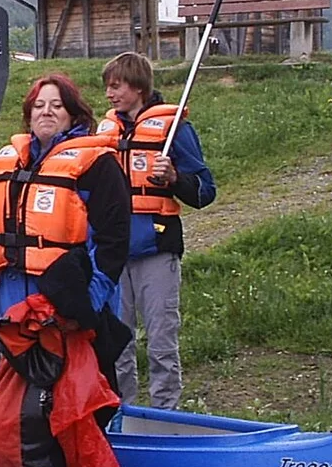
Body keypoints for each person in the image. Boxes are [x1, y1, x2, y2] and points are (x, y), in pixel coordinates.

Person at [0, 74, 131, 466]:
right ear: (28, 114)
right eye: (38, 105)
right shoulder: (8, 163)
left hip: (71, 310)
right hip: (16, 309)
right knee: (23, 410)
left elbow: (113, 243)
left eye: (56, 105)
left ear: (72, 114)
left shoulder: (96, 165)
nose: (46, 112)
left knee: (80, 404)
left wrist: (86, 305)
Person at [98, 52, 216, 410]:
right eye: (107, 87)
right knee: (117, 343)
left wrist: (175, 178)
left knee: (162, 341)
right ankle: (121, 413)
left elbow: (205, 191)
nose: (109, 94)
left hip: (157, 248)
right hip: (114, 254)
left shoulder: (173, 129)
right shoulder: (105, 132)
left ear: (137, 86)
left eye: (116, 86)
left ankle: (165, 414)